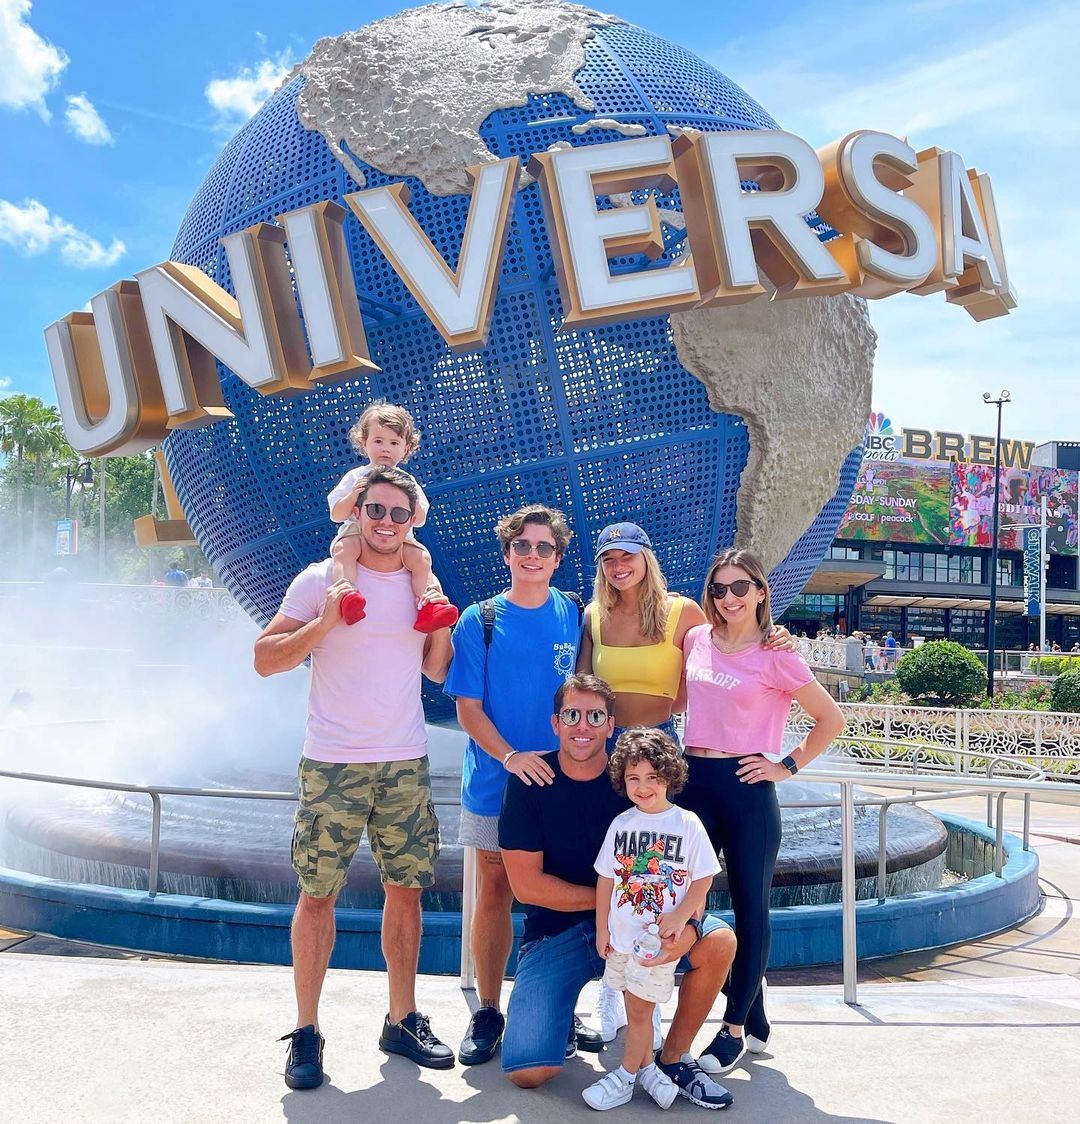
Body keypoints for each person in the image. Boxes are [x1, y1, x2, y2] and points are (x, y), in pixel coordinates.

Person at [253, 466, 456, 1089]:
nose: (388, 523)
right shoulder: (319, 579)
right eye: (377, 511)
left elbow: (439, 674)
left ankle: (402, 1018)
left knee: (408, 891)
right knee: (317, 896)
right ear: (356, 514)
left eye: (400, 513)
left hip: (403, 760)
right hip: (333, 762)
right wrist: (326, 624)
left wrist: (438, 619)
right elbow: (266, 659)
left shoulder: (423, 585)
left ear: (413, 519)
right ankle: (307, 1030)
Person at [577, 521, 793, 1042]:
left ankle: (734, 1011)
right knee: (615, 874)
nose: (618, 565)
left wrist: (774, 635)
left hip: (660, 755)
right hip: (607, 757)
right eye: (609, 558)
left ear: (647, 557)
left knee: (667, 877)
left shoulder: (685, 615)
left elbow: (720, 655)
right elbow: (584, 688)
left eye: (628, 554)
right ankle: (613, 988)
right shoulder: (593, 615)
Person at [499, 674, 736, 1110]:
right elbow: (526, 886)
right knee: (528, 1071)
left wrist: (688, 922)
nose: (582, 725)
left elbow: (690, 868)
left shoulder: (636, 781)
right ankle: (561, 1017)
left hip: (644, 928)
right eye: (572, 714)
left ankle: (672, 1059)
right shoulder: (531, 781)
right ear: (555, 723)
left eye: (595, 715)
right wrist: (613, 904)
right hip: (560, 933)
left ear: (612, 725)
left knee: (719, 942)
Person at [678, 548, 845, 1076]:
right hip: (692, 781)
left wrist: (786, 765)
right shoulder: (696, 639)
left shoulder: (778, 655)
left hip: (747, 788)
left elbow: (829, 719)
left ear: (760, 591)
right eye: (720, 589)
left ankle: (732, 1029)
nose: (728, 598)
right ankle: (754, 1005)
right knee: (689, 902)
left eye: (739, 588)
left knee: (752, 910)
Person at [444, 503, 593, 1066]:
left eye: (544, 548)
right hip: (495, 779)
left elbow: (584, 695)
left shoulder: (574, 614)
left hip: (563, 782)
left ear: (557, 557)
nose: (533, 556)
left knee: (559, 890)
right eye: (522, 547)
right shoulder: (479, 619)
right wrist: (510, 757)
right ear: (507, 553)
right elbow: (468, 708)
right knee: (495, 891)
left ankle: (560, 1003)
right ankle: (487, 1009)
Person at [585, 726, 722, 1111]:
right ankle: (649, 1071)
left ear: (669, 776)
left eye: (652, 777)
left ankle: (624, 1077)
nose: (643, 786)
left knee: (642, 1009)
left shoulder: (687, 824)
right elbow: (607, 878)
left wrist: (682, 914)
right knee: (634, 1007)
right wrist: (602, 928)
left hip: (657, 944)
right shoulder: (621, 825)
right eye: (633, 778)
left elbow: (704, 875)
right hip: (622, 938)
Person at [327, 400, 458, 633]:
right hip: (357, 532)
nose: (385, 449)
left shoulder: (408, 481)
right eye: (378, 441)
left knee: (421, 559)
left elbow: (418, 519)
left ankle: (429, 606)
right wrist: (353, 495)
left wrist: (410, 499)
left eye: (394, 442)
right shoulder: (356, 476)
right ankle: (347, 596)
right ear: (363, 443)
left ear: (406, 449)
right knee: (343, 551)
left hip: (399, 536)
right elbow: (337, 515)